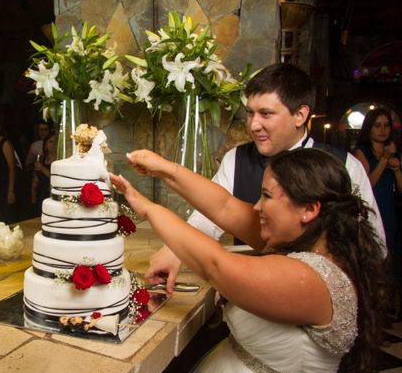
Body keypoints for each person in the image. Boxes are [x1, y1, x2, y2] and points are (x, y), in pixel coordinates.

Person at [112, 147, 392, 373]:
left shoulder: (311, 279)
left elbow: (215, 266)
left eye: (267, 197)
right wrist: (163, 167)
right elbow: (225, 206)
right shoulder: (312, 237)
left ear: (309, 209)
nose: (256, 207)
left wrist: (147, 208)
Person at [147, 63, 386, 293]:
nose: (254, 125)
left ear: (300, 115)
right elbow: (209, 218)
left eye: (266, 114)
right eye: (250, 113)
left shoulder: (345, 165)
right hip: (247, 289)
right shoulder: (236, 158)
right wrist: (176, 250)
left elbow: (375, 248)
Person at [353, 107, 402, 280]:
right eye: (377, 125)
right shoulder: (361, 152)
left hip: (390, 211)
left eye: (386, 126)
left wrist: (396, 170)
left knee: (392, 260)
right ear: (369, 128)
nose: (383, 130)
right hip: (372, 209)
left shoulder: (394, 152)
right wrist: (383, 160)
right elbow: (368, 184)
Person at [31, 131, 56, 216]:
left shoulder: (59, 160)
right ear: (45, 145)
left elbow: (56, 179)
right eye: (50, 141)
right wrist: (33, 194)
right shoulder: (42, 159)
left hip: (51, 195)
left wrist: (42, 169)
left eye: (55, 142)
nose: (53, 144)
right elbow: (35, 179)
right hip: (41, 195)